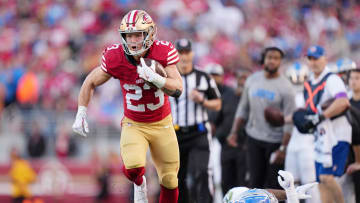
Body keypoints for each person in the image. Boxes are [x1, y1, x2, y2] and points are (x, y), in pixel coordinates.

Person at [72, 10, 183, 203]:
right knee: (132, 168)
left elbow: (178, 88)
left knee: (170, 180)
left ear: (149, 34)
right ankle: (140, 185)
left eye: (138, 34)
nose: (133, 40)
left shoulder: (162, 52)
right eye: (129, 35)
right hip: (135, 123)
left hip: (162, 123)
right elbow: (90, 80)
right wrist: (81, 110)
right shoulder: (116, 56)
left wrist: (157, 79)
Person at [227, 47, 296, 189]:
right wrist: (234, 132)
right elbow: (243, 108)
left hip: (275, 141)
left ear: (280, 62)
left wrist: (283, 148)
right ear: (264, 59)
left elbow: (290, 121)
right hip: (254, 139)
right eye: (269, 57)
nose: (272, 61)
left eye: (276, 58)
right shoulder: (252, 80)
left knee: (274, 186)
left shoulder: (286, 87)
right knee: (254, 182)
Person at [292, 45, 351, 203]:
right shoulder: (309, 82)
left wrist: (321, 116)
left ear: (325, 58)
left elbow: (343, 101)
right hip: (321, 137)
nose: (313, 62)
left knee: (327, 177)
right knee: (321, 181)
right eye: (310, 59)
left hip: (337, 134)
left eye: (316, 58)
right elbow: (308, 110)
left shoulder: (332, 79)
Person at [170, 38, 221, 203]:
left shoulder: (203, 77)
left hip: (198, 132)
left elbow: (217, 103)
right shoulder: (167, 75)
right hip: (175, 134)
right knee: (177, 176)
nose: (184, 57)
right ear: (175, 54)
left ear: (192, 54)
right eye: (180, 53)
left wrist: (203, 101)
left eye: (187, 52)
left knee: (203, 171)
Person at [207, 63, 250, 194]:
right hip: (225, 147)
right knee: (226, 184)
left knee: (243, 185)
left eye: (245, 78)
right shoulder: (228, 95)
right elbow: (215, 120)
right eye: (240, 77)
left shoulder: (253, 97)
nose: (242, 81)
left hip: (245, 147)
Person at [284, 62, 321, 203]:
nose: (297, 82)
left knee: (309, 184)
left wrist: (284, 118)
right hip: (293, 143)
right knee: (290, 185)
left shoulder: (312, 95)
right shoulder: (288, 96)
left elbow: (303, 118)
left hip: (308, 143)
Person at [223, 170, 318, 203]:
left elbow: (259, 195)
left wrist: (290, 193)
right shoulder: (236, 195)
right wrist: (291, 194)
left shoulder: (237, 194)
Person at [347, 67, 360, 202]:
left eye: (357, 78)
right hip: (350, 154)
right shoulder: (346, 103)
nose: (354, 82)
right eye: (351, 78)